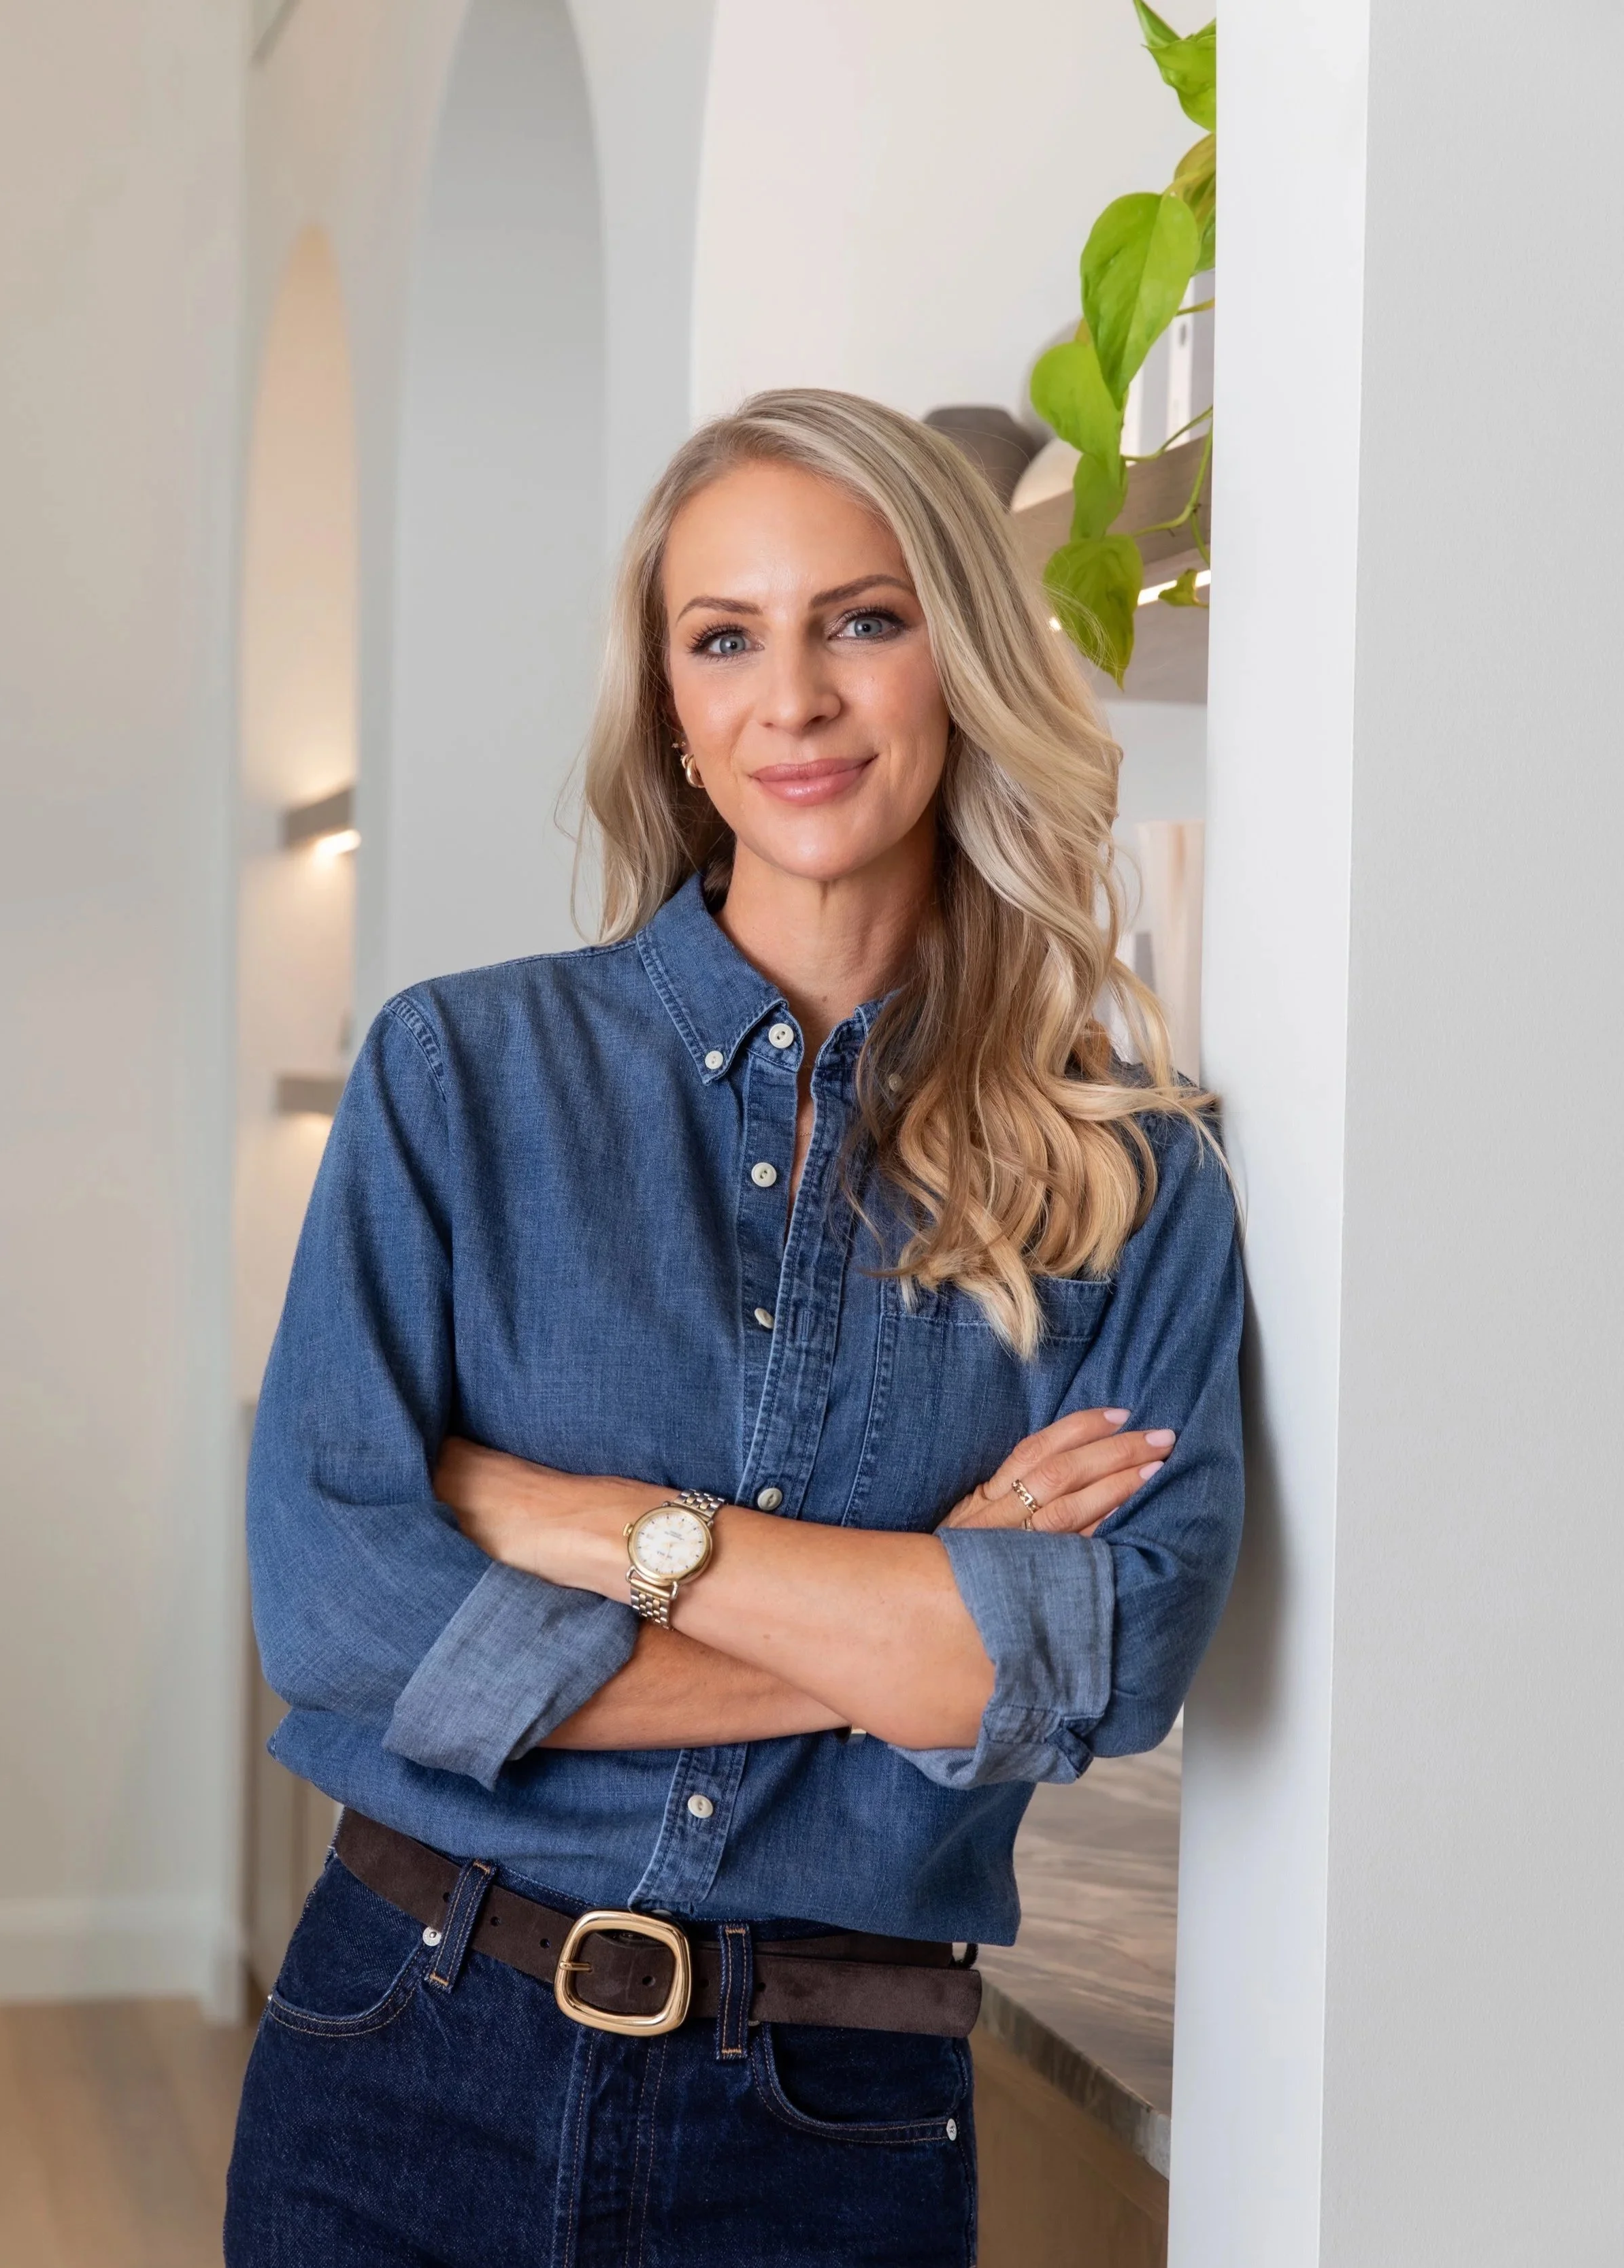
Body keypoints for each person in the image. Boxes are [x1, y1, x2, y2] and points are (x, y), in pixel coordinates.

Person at [225, 389, 1244, 2267]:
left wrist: (589, 1526)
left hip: (827, 2125)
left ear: (962, 657)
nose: (794, 697)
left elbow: (1116, 1658)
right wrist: (926, 1618)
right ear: (675, 714)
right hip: (403, 2052)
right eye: (725, 638)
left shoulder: (1130, 1172)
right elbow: (340, 1612)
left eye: (861, 618)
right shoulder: (459, 1076)